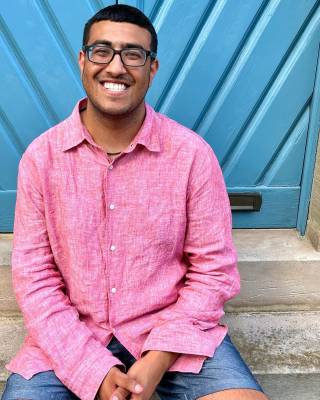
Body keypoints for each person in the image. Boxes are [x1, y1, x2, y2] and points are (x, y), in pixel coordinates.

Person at [1, 5, 269, 400]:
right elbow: (35, 279)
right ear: (82, 60)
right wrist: (94, 368)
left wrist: (157, 357)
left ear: (152, 68)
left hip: (174, 337)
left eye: (133, 54)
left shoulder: (191, 155)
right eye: (102, 51)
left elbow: (213, 272)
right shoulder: (41, 160)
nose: (116, 67)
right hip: (71, 339)